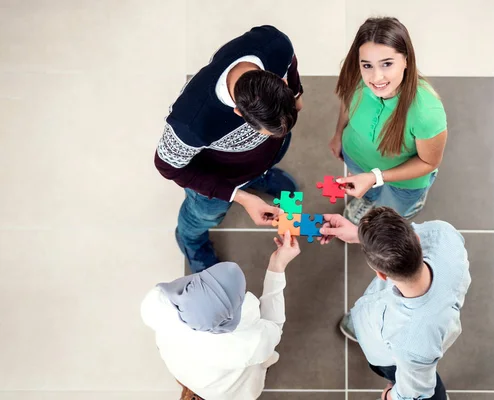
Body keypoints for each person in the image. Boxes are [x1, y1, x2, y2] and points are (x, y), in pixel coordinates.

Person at [154, 25, 304, 273]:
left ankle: (260, 176)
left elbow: (291, 63)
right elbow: (168, 167)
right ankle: (190, 241)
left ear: (279, 81)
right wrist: (240, 196)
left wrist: (296, 93)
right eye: (265, 133)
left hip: (257, 161)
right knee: (203, 217)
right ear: (239, 114)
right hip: (218, 179)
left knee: (270, 154)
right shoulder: (190, 123)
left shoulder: (275, 44)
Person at [319, 208, 470, 400]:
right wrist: (360, 234)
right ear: (416, 238)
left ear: (380, 274)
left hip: (391, 359)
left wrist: (391, 396)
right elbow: (403, 243)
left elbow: (417, 389)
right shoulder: (442, 234)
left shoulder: (411, 343)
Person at [141, 230, 301, 400]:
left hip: (186, 369)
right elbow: (273, 327)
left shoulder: (159, 308)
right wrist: (277, 267)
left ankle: (194, 393)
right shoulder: (246, 345)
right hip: (226, 391)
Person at [329, 17, 447, 224]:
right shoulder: (356, 76)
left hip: (404, 182)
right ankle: (369, 198)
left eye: (387, 64)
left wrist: (375, 177)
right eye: (367, 65)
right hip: (357, 159)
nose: (376, 77)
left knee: (392, 210)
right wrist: (339, 134)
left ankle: (409, 205)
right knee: (369, 193)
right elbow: (348, 104)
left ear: (406, 60)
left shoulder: (426, 111)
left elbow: (429, 161)